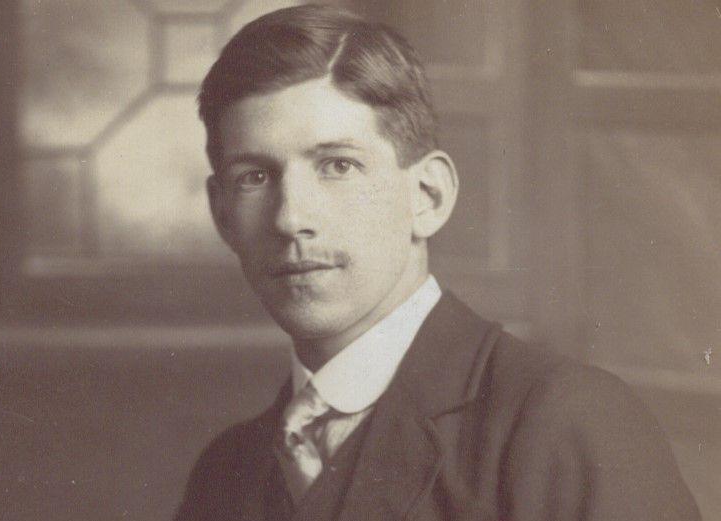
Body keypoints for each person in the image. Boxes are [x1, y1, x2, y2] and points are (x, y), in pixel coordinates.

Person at [175, 5, 700, 521]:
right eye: (255, 177)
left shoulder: (564, 424)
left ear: (428, 196)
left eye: (338, 165)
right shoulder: (225, 473)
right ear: (223, 217)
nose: (290, 219)